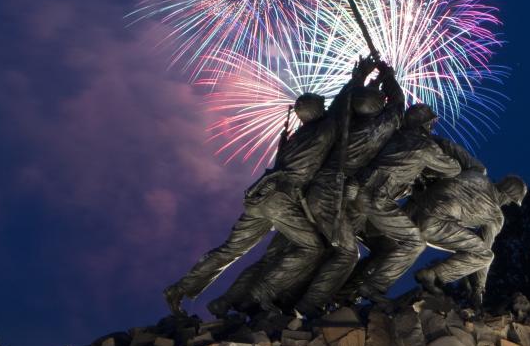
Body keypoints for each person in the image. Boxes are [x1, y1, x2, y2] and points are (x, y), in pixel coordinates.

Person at [161, 58, 376, 315]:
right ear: (318, 111)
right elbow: (343, 106)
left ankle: (179, 289)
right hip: (280, 198)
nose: (326, 107)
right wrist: (359, 77)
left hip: (259, 195)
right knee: (312, 247)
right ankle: (261, 295)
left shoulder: (294, 138)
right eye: (322, 105)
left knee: (230, 250)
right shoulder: (325, 129)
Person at [208, 59, 405, 315]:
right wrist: (388, 76)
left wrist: (362, 77)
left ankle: (233, 301)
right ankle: (305, 306)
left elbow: (340, 105)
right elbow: (398, 104)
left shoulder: (336, 125)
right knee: (344, 254)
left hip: (305, 194)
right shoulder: (380, 127)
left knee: (283, 252)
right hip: (332, 195)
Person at [321, 103, 461, 310]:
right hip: (375, 199)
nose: (432, 127)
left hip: (356, 196)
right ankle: (373, 287)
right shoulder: (424, 146)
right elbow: (453, 169)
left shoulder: (392, 136)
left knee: (385, 247)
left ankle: (343, 294)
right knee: (414, 242)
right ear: (426, 124)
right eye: (431, 123)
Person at [406, 138, 527, 308]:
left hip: (413, 209)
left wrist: (424, 133)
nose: (507, 204)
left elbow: (450, 146)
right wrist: (478, 289)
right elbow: (484, 249)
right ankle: (432, 275)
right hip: (432, 225)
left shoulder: (477, 170)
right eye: (510, 202)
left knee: (467, 246)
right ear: (508, 197)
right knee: (485, 256)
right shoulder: (495, 216)